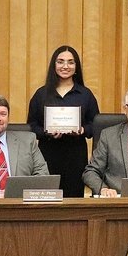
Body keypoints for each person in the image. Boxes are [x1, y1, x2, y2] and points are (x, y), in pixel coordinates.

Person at [28, 45, 100, 198]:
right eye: (60, 61)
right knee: (47, 197)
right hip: (47, 154)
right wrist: (46, 132)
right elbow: (31, 126)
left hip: (76, 155)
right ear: (54, 65)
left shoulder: (85, 94)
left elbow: (96, 125)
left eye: (70, 62)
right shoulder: (41, 94)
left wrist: (83, 130)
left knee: (73, 199)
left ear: (76, 67)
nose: (65, 66)